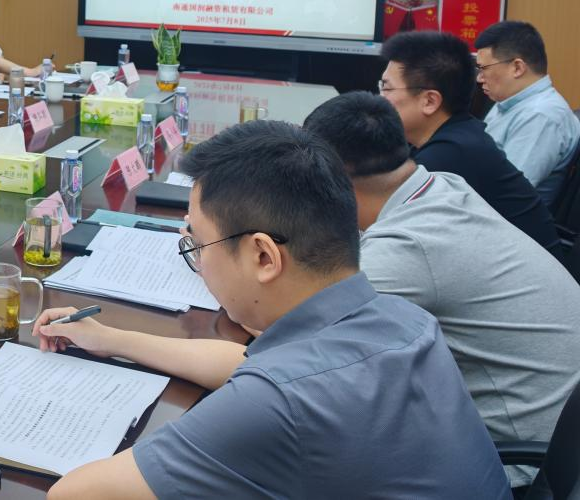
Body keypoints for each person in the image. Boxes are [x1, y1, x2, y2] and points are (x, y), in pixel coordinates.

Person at [35, 121, 510, 500]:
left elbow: (73, 494)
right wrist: (112, 339)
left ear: (264, 256)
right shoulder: (404, 321)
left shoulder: (276, 403)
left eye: (197, 244)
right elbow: (246, 365)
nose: (197, 261)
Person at [305, 91, 580, 488]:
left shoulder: (409, 247)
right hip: (551, 430)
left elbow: (299, 340)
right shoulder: (442, 186)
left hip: (517, 465)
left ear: (334, 177)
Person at [379, 30, 559, 252]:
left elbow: (390, 230)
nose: (380, 98)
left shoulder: (450, 156)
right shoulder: (456, 133)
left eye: (386, 88)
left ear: (430, 101)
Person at [475, 20, 579, 207]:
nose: (479, 78)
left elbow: (506, 194)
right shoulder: (509, 101)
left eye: (483, 69)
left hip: (505, 219)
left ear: (517, 68)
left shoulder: (540, 116)